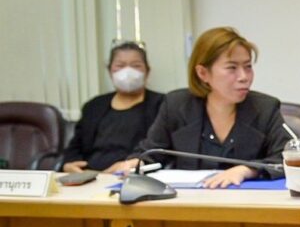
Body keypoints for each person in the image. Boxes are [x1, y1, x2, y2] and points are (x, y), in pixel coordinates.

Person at [111, 27, 289, 188]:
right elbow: (150, 153)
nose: (244, 77)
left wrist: (247, 170)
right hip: (189, 204)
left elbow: (289, 158)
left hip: (247, 204)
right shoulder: (176, 105)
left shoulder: (265, 108)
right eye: (232, 68)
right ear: (203, 73)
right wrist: (137, 164)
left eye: (248, 67)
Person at [63, 42, 164, 173]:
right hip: (88, 176)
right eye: (120, 66)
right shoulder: (94, 106)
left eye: (136, 66)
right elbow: (75, 146)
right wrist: (68, 165)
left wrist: (131, 164)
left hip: (131, 175)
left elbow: (159, 148)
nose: (127, 72)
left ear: (147, 71)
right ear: (110, 71)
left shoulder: (162, 104)